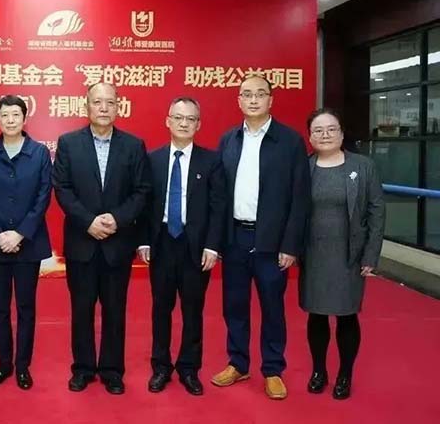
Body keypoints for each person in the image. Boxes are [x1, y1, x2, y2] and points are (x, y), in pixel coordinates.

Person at [211, 74, 310, 400]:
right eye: (247, 94)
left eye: (260, 94)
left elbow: (299, 198)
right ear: (239, 100)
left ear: (271, 100)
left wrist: (290, 245)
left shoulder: (290, 141)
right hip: (235, 238)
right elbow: (218, 195)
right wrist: (218, 240)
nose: (253, 100)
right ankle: (238, 363)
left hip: (272, 242)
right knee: (234, 306)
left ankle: (273, 369)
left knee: (272, 308)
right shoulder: (228, 140)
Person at [52, 82, 150, 395]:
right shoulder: (69, 143)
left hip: (117, 244)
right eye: (97, 102)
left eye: (110, 102)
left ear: (118, 106)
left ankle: (112, 370)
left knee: (115, 310)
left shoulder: (133, 145)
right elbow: (62, 188)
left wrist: (117, 219)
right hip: (82, 243)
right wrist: (89, 222)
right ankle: (82, 369)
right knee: (81, 310)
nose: (104, 108)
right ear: (87, 106)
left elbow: (142, 191)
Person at [137, 97, 226, 396]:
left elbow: (218, 207)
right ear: (168, 121)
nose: (184, 123)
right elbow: (144, 204)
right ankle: (161, 367)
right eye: (178, 117)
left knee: (193, 309)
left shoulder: (211, 161)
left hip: (195, 247)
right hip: (162, 242)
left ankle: (189, 368)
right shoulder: (152, 159)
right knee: (160, 308)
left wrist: (212, 246)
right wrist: (144, 240)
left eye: (190, 119)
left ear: (198, 124)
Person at [300, 108, 385, 400]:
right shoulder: (304, 167)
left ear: (341, 133)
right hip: (313, 254)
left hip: (349, 255)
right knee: (317, 315)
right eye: (318, 130)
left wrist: (370, 256)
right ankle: (319, 371)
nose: (325, 135)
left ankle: (345, 374)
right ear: (310, 136)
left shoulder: (363, 166)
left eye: (331, 129)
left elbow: (376, 213)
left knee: (347, 316)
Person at [0, 95, 52, 391]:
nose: (10, 120)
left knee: (26, 307)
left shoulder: (39, 153)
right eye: (4, 115)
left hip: (28, 243)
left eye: (15, 114)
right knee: (0, 307)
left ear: (24, 118)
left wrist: (19, 233)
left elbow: (43, 196)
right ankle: (4, 364)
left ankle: (22, 366)